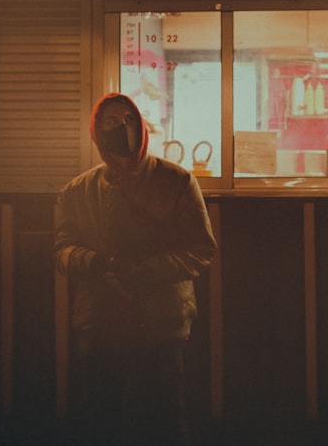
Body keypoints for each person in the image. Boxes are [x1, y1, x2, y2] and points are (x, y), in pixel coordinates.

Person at [54, 92, 217, 446]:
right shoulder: (77, 191)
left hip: (161, 326)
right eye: (110, 121)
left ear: (141, 125)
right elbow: (61, 250)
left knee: (164, 422)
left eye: (128, 119)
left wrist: (146, 272)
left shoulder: (177, 182)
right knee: (101, 421)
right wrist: (94, 263)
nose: (121, 127)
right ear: (96, 132)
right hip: (99, 324)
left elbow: (201, 249)